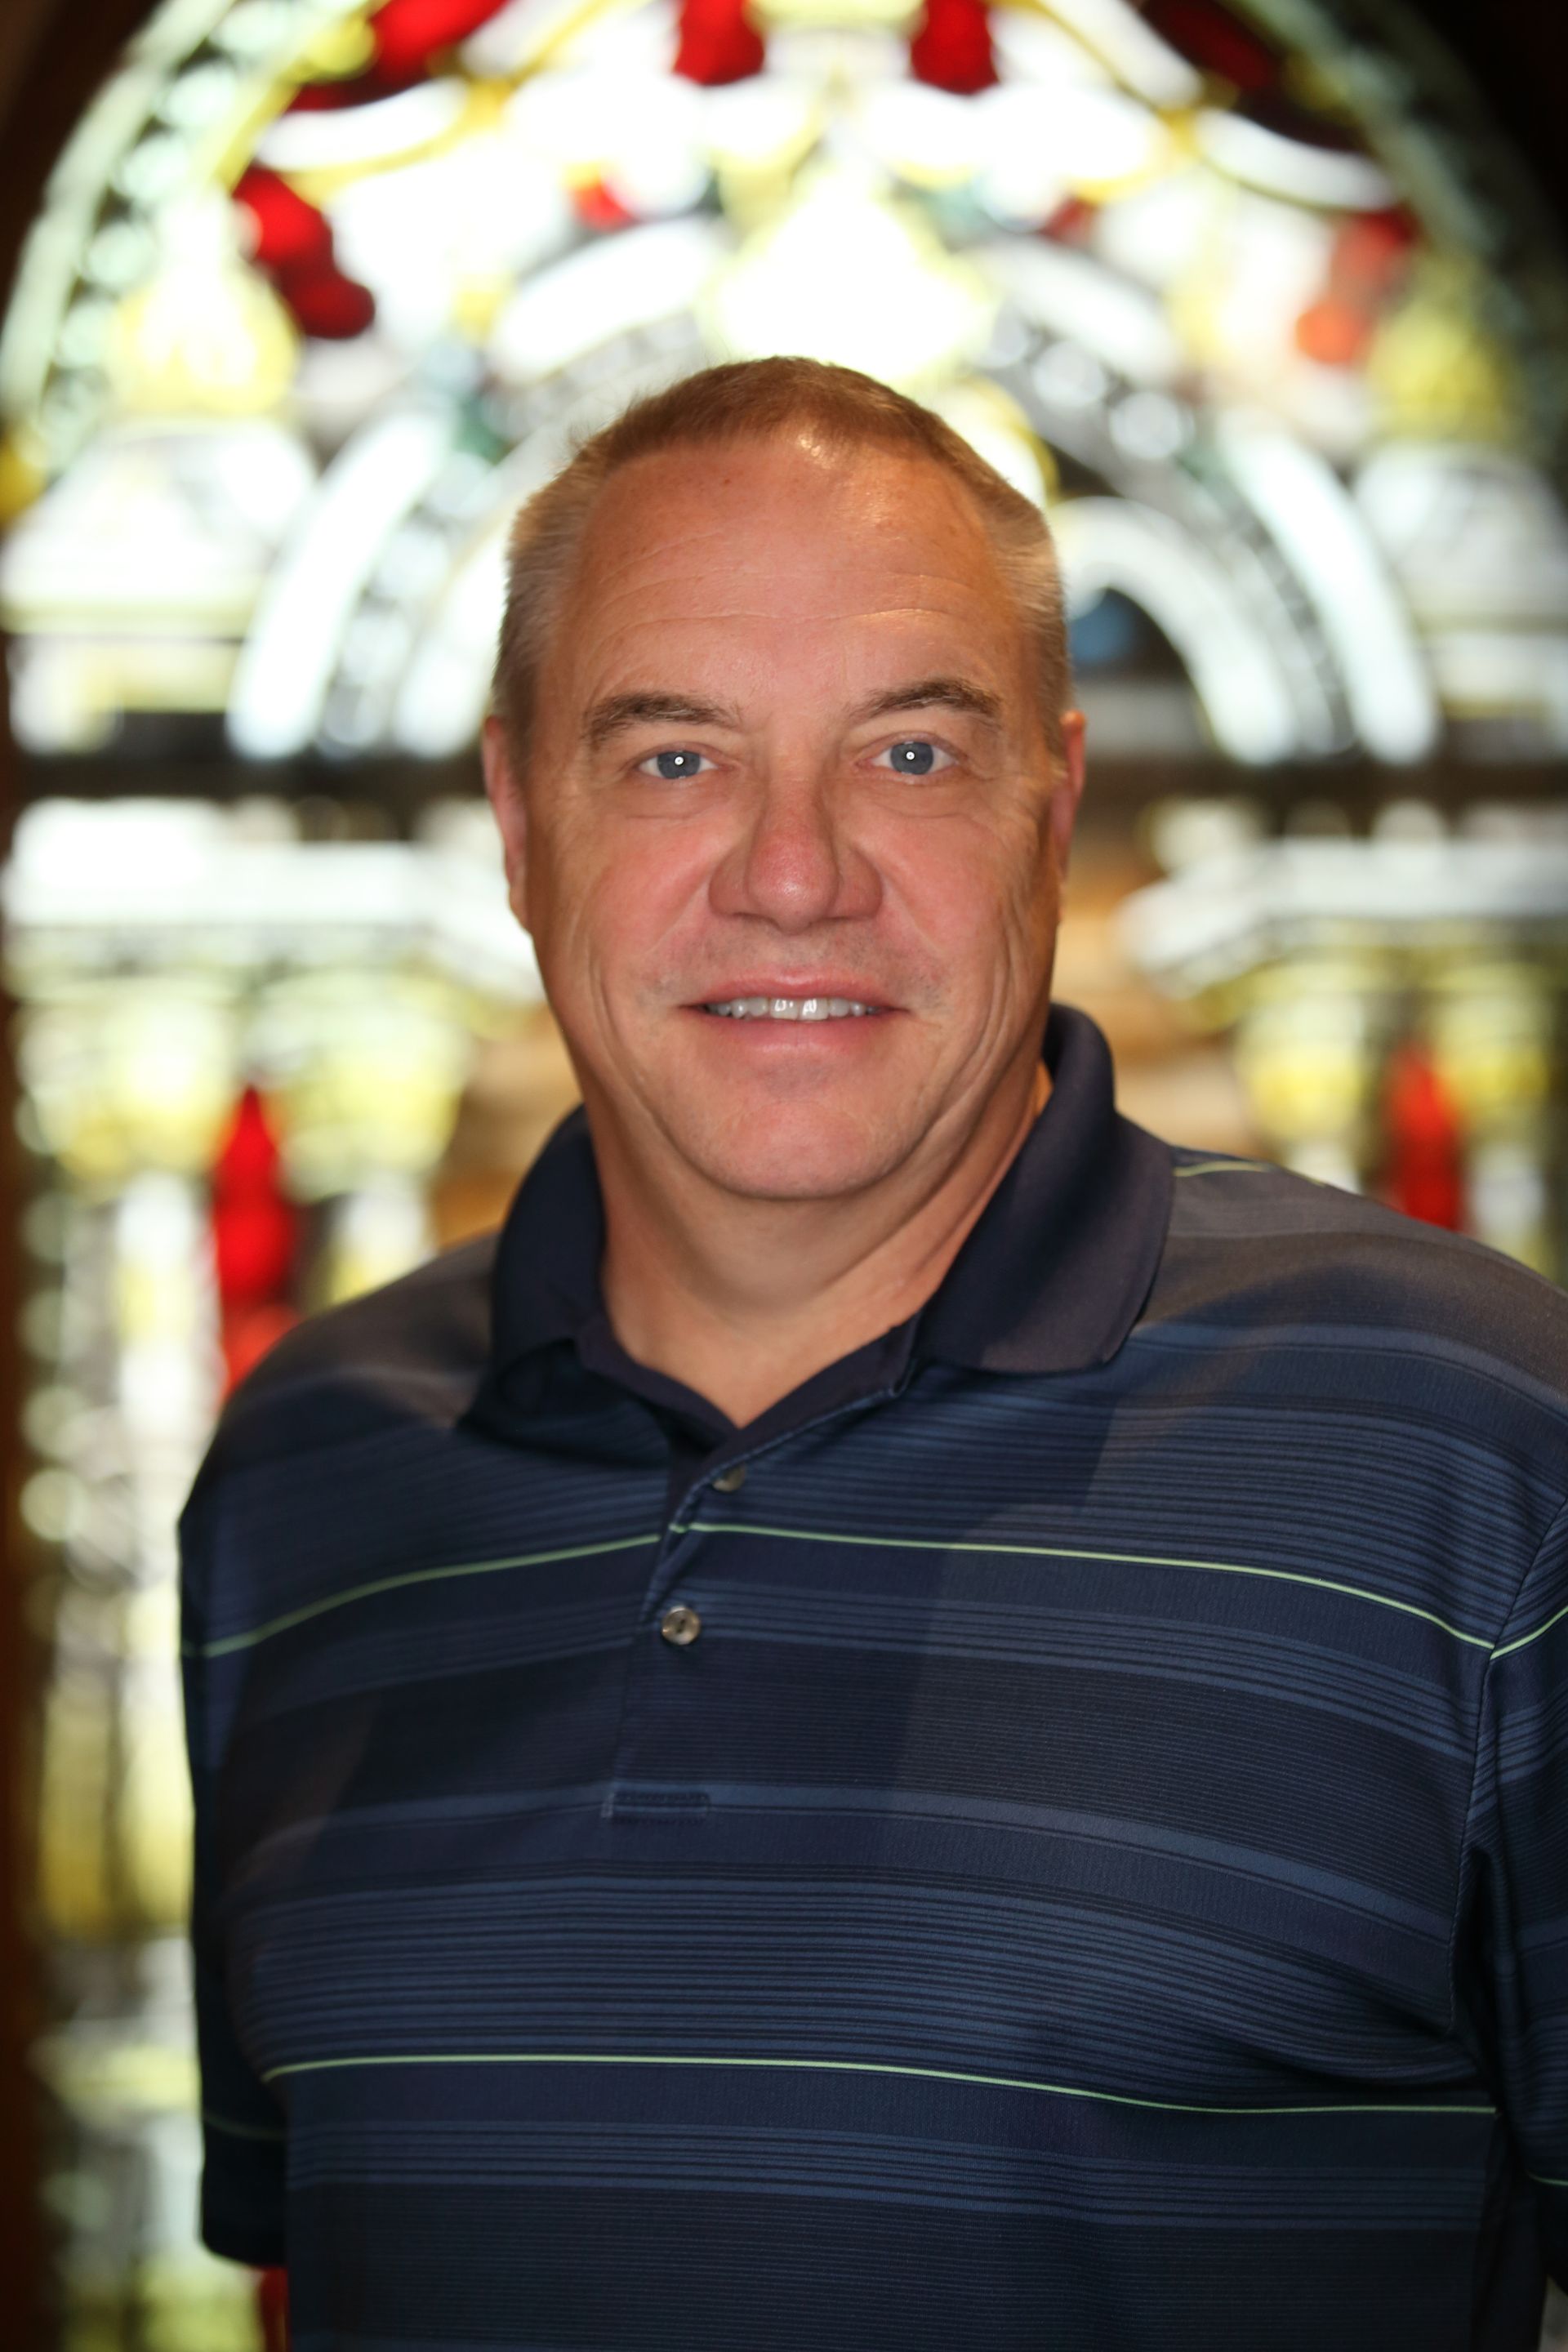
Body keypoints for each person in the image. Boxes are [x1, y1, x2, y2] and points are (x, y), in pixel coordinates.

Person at [180, 356, 1568, 2351]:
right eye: (676, 758)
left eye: (911, 754)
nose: (796, 873)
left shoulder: (1479, 1441)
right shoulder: (306, 1472)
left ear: (1052, 805)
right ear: (517, 818)